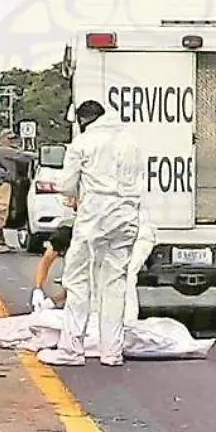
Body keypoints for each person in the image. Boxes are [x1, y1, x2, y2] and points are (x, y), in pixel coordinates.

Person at [38, 100, 143, 367]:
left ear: (83, 120)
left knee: (77, 280)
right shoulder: (131, 142)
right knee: (115, 284)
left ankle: (71, 350)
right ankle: (112, 353)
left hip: (95, 217)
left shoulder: (83, 143)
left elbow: (66, 185)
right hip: (127, 216)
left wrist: (74, 190)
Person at [0, 129, 26, 253]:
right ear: (3, 139)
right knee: (0, 211)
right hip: (1, 184)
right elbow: (22, 156)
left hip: (2, 185)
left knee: (2, 212)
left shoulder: (1, 150)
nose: (12, 141)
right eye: (9, 139)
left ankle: (0, 241)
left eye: (13, 139)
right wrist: (41, 155)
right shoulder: (2, 150)